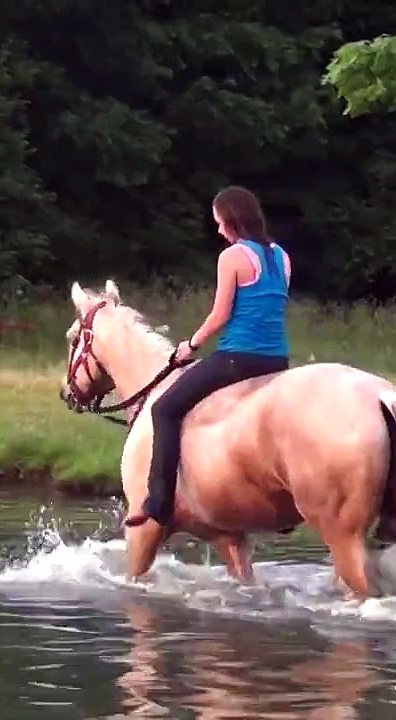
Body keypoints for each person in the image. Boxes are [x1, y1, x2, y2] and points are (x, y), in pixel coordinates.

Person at [123, 185, 292, 528]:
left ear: (231, 221)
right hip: (277, 361)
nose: (217, 230)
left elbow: (220, 314)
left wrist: (191, 346)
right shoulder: (281, 255)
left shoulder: (232, 257)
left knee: (165, 409)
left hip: (238, 358)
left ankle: (158, 502)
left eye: (218, 222)